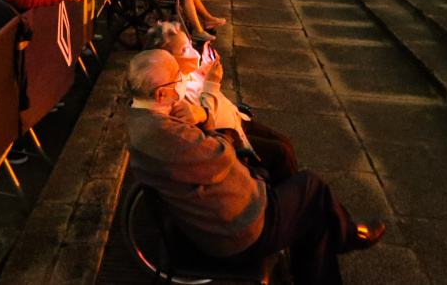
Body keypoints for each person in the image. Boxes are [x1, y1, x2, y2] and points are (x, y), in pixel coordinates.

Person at [121, 50, 385, 285]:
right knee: (312, 186)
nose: (181, 82)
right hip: (238, 232)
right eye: (176, 79)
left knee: (315, 224)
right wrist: (206, 122)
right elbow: (225, 152)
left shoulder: (144, 119)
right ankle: (349, 234)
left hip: (228, 213)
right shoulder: (169, 136)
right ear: (161, 94)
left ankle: (340, 239)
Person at [143, 22, 298, 184]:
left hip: (238, 119)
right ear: (167, 60)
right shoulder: (174, 93)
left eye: (189, 45)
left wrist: (205, 67)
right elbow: (206, 123)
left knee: (285, 142)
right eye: (184, 50)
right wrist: (211, 83)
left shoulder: (187, 72)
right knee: (282, 153)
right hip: (231, 137)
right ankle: (288, 198)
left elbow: (202, 89)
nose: (192, 52)